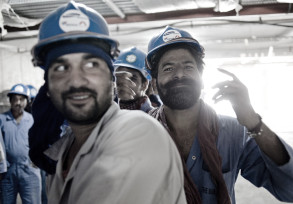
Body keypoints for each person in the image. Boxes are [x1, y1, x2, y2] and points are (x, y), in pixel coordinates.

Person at [29, 2, 186, 204]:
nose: (76, 80)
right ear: (48, 87)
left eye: (91, 64)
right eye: (61, 68)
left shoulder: (138, 132)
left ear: (111, 79)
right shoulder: (65, 147)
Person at [145, 26, 293, 204]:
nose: (180, 74)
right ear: (153, 83)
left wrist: (252, 121)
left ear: (201, 77)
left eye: (188, 66)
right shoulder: (140, 132)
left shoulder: (233, 132)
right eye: (168, 69)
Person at [0, 83, 41, 204]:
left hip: (29, 171)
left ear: (27, 102)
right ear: (10, 101)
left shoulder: (33, 120)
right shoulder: (1, 119)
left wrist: (36, 163)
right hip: (8, 172)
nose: (18, 102)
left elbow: (40, 143)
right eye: (15, 99)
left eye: (21, 99)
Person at [114, 47, 153, 112]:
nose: (125, 82)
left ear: (145, 84)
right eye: (120, 77)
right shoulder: (106, 115)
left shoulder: (155, 118)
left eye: (132, 78)